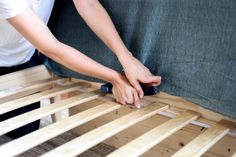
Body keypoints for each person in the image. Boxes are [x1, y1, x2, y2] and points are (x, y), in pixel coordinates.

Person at [0, 0, 161, 138]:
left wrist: (127, 59)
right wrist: (115, 78)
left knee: (24, 130)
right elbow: (52, 48)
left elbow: (88, 4)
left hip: (24, 57)